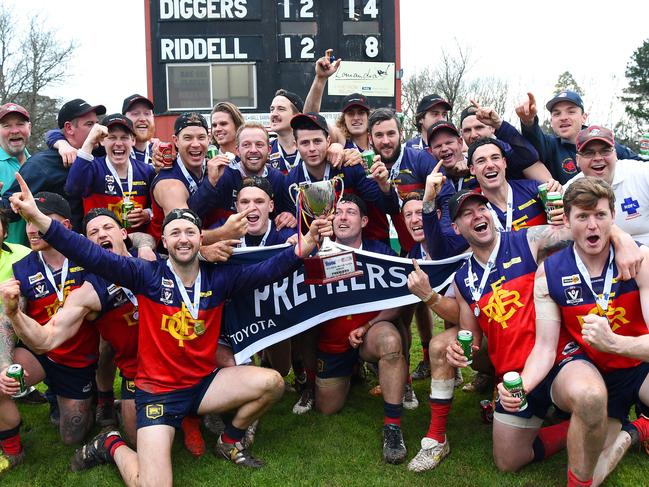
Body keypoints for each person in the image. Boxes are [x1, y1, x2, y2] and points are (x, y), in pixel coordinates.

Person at [6, 173, 332, 484]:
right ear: (165, 241)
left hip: (203, 385)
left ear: (200, 238)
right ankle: (111, 444)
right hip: (158, 392)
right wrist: (40, 220)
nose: (183, 239)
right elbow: (88, 253)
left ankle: (229, 440)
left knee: (272, 383)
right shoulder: (146, 276)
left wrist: (306, 245)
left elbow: (268, 271)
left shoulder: (220, 278)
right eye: (175, 233)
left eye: (190, 233)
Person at [438, 186, 639, 485]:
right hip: (515, 376)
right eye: (466, 214)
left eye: (481, 208)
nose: (477, 216)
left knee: (589, 396)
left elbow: (584, 227)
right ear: (456, 228)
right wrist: (460, 348)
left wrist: (622, 239)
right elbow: (471, 335)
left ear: (491, 214)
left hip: (557, 357)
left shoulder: (528, 240)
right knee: (508, 461)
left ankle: (595, 423)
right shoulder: (463, 278)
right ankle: (601, 424)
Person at [515, 177, 649, 486]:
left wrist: (615, 342)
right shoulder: (550, 272)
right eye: (583, 216)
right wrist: (521, 386)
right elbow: (545, 349)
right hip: (597, 374)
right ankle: (634, 431)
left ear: (611, 218)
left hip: (640, 366)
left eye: (600, 215)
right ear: (567, 220)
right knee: (594, 473)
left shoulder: (638, 260)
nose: (592, 225)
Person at [0, 209, 155, 449]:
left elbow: (159, 240)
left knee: (107, 344)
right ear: (87, 243)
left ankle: (101, 398)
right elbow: (38, 336)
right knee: (134, 441)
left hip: (84, 357)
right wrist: (12, 313)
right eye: (93, 232)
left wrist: (146, 244)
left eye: (108, 228)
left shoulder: (149, 261)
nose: (31, 230)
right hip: (48, 353)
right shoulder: (84, 287)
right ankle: (96, 422)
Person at [0, 193, 100, 473]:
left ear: (65, 226)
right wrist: (5, 366)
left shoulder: (87, 257)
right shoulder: (23, 267)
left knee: (71, 436)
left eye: (37, 220)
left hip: (78, 360)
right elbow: (6, 324)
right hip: (39, 354)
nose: (31, 230)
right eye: (27, 221)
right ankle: (11, 444)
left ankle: (88, 397)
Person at [315, 194, 407, 464]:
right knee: (327, 409)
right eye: (338, 212)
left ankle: (392, 426)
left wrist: (367, 326)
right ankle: (349, 373)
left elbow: (399, 300)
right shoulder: (316, 250)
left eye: (351, 212)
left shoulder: (380, 252)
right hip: (333, 342)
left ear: (364, 221)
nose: (342, 217)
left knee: (390, 341)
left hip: (369, 335)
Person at [423, 137, 561, 260]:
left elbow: (568, 228)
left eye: (495, 158)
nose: (489, 165)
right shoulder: (470, 208)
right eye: (481, 161)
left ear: (504, 163)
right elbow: (440, 253)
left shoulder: (533, 189)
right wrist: (428, 201)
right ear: (472, 169)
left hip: (548, 276)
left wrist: (563, 211)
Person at [1, 98, 106, 232]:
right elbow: (9, 208)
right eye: (90, 124)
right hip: (60, 247)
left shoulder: (101, 154)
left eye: (97, 123)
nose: (97, 129)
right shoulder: (41, 165)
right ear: (69, 128)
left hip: (98, 245)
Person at [516, 91, 642, 184]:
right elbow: (533, 138)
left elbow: (641, 165)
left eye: (571, 111)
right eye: (557, 113)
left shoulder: (606, 144)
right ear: (551, 122)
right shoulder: (550, 146)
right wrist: (528, 121)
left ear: (584, 117)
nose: (563, 117)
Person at [201, 122, 295, 245]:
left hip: (267, 248)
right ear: (237, 150)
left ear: (269, 150)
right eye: (246, 145)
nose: (253, 150)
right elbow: (194, 214)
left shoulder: (279, 179)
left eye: (259, 145)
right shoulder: (222, 176)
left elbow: (290, 215)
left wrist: (290, 216)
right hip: (226, 248)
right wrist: (210, 183)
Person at [65, 114, 155, 231]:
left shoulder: (147, 171)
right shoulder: (93, 167)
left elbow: (158, 207)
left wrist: (148, 214)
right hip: (100, 243)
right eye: (112, 137)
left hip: (135, 243)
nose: (118, 143)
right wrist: (90, 141)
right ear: (102, 140)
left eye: (124, 138)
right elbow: (72, 189)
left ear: (133, 140)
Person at [149, 112, 229, 242]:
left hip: (208, 251)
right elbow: (181, 234)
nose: (196, 144)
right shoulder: (168, 183)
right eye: (188, 138)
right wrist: (226, 233)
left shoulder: (213, 166)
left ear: (209, 138)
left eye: (201, 137)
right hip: (170, 255)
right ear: (176, 141)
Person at [564, 125, 649, 246]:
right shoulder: (568, 191)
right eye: (589, 153)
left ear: (615, 154)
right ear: (577, 159)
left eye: (605, 151)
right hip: (600, 259)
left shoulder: (642, 174)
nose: (598, 158)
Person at [459, 101, 551, 181]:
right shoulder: (462, 161)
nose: (473, 135)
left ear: (492, 128)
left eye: (479, 127)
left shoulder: (508, 150)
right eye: (467, 130)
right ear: (461, 133)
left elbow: (530, 156)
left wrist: (500, 124)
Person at [0, 103, 31, 245]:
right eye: (6, 126)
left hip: (37, 262)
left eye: (20, 124)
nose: (14, 130)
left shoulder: (39, 165)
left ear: (29, 128)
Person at [268, 89, 305, 174]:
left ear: (297, 116)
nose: (274, 114)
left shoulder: (311, 147)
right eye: (272, 109)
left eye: (281, 109)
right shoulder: (265, 151)